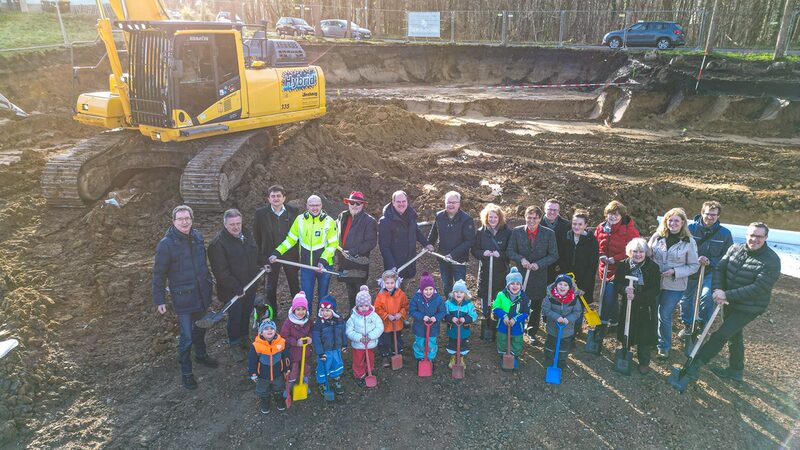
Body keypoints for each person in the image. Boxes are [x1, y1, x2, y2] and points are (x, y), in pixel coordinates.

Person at [677, 223, 781, 387]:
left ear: (766, 238)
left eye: (759, 236)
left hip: (749, 306)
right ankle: (736, 370)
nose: (754, 239)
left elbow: (759, 288)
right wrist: (718, 289)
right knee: (734, 334)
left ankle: (695, 364)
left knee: (721, 334)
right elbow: (720, 269)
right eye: (752, 235)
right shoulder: (735, 248)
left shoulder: (772, 260)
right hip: (728, 301)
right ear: (746, 235)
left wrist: (727, 294)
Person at [152, 205, 217, 390]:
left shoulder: (197, 236)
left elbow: (203, 264)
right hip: (183, 299)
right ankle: (187, 372)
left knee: (201, 328)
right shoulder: (166, 244)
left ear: (191, 219)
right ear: (173, 222)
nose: (184, 222)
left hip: (201, 293)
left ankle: (201, 355)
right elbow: (159, 273)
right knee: (186, 337)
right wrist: (159, 299)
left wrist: (209, 282)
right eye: (180, 219)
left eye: (187, 218)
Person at [208, 209, 261, 363]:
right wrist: (236, 287)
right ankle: (234, 343)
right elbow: (220, 272)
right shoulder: (217, 244)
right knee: (235, 317)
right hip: (233, 290)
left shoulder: (246, 235)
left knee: (247, 312)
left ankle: (245, 337)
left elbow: (254, 254)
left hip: (250, 285)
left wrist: (263, 262)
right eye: (232, 225)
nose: (236, 227)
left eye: (238, 223)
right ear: (225, 224)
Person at [270, 195, 338, 313]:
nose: (314, 208)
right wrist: (277, 252)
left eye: (317, 205)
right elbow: (290, 239)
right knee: (306, 297)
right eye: (311, 205)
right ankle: (307, 323)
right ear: (307, 206)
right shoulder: (300, 220)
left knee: (323, 297)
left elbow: (333, 245)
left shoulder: (329, 222)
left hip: (324, 266)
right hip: (306, 266)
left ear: (321, 205)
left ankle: (321, 322)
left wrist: (323, 261)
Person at [648, 208, 700, 359]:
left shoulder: (689, 242)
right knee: (652, 311)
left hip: (675, 285)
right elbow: (648, 255)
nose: (673, 223)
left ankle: (663, 346)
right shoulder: (658, 237)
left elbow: (694, 266)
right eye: (670, 220)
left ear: (683, 223)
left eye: (676, 220)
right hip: (654, 282)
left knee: (664, 314)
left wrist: (675, 271)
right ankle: (651, 339)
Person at [679, 201, 733, 339]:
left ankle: (701, 324)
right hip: (690, 269)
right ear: (702, 213)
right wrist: (693, 258)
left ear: (718, 215)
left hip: (711, 271)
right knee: (685, 298)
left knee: (707, 296)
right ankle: (688, 324)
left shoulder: (725, 234)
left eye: (714, 215)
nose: (710, 217)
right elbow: (680, 248)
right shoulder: (689, 229)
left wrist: (711, 261)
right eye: (708, 214)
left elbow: (728, 255)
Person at [506, 205, 559, 340]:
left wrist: (539, 264)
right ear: (525, 217)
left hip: (538, 275)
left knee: (536, 305)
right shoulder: (517, 232)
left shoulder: (548, 233)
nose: (532, 221)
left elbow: (554, 255)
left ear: (540, 218)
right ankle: (517, 326)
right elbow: (510, 251)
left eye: (535, 218)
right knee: (518, 302)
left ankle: (532, 331)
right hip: (520, 275)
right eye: (529, 217)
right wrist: (521, 259)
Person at [614, 238, 661, 374]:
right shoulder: (623, 265)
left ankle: (644, 360)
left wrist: (637, 297)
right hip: (627, 304)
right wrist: (624, 290)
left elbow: (655, 290)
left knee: (644, 335)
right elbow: (617, 283)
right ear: (630, 252)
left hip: (645, 306)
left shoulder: (653, 267)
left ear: (646, 253)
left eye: (641, 252)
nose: (638, 254)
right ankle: (625, 351)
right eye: (635, 251)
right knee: (626, 328)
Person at [253, 184, 300, 318]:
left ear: (284, 198)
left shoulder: (294, 212)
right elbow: (256, 237)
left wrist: (298, 256)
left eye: (278, 196)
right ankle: (272, 313)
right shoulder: (260, 214)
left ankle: (298, 312)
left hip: (289, 255)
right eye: (273, 196)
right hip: (270, 256)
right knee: (271, 287)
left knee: (294, 284)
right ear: (268, 199)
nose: (276, 199)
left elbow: (297, 236)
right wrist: (261, 258)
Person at [594, 200, 640, 327]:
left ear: (622, 216)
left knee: (608, 294)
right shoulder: (601, 228)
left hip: (621, 269)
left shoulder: (630, 230)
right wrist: (601, 254)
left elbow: (634, 250)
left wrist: (616, 258)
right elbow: (596, 244)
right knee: (610, 295)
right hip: (604, 267)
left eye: (616, 214)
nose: (613, 217)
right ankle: (614, 322)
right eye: (610, 214)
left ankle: (602, 323)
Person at [471, 203, 511, 341]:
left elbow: (510, 251)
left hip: (500, 272)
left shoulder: (506, 232)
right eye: (490, 217)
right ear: (486, 218)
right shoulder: (481, 232)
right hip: (486, 270)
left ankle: (498, 322)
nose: (492, 220)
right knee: (485, 296)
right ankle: (486, 318)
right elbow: (474, 251)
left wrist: (501, 254)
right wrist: (483, 253)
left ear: (500, 218)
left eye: (495, 217)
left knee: (499, 297)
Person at [378, 190, 433, 291]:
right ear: (393, 202)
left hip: (409, 259)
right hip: (395, 262)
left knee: (405, 284)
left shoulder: (411, 216)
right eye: (398, 202)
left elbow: (416, 232)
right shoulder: (385, 221)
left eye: (404, 201)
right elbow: (384, 246)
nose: (401, 204)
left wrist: (426, 244)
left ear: (407, 202)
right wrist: (392, 266)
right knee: (392, 290)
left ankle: (403, 297)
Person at [557, 209, 599, 336]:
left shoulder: (591, 241)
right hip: (568, 278)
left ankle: (576, 330)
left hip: (583, 279)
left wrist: (583, 287)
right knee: (566, 304)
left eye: (580, 224)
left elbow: (592, 266)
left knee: (578, 307)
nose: (577, 226)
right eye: (574, 223)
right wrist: (567, 277)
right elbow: (561, 258)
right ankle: (565, 330)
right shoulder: (566, 237)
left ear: (586, 225)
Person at [427, 191, 476, 297]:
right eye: (448, 202)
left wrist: (453, 254)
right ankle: (449, 306)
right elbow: (434, 233)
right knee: (446, 284)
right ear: (445, 203)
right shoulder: (439, 216)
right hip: (443, 257)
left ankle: (461, 308)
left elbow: (469, 241)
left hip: (458, 260)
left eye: (454, 202)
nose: (451, 205)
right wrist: (429, 244)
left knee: (460, 286)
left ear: (459, 204)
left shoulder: (466, 220)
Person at [337, 191, 378, 311]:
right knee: (349, 290)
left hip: (359, 262)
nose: (354, 205)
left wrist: (353, 251)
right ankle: (352, 315)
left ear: (363, 205)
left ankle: (362, 317)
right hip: (344, 261)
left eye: (358, 203)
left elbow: (371, 242)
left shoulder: (369, 221)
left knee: (360, 293)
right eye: (352, 202)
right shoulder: (342, 216)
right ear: (348, 203)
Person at [248, 319, 290, 414]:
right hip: (262, 375)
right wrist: (253, 373)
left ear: (275, 330)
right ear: (261, 332)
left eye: (272, 328)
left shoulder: (281, 342)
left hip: (278, 373)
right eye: (266, 329)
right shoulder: (256, 346)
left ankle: (279, 400)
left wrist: (287, 369)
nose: (269, 330)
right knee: (263, 390)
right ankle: (265, 402)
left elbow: (286, 357)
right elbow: (252, 361)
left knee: (278, 388)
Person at [345, 286, 384, 387]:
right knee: (358, 361)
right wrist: (359, 338)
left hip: (370, 344)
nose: (364, 308)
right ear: (357, 306)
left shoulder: (374, 316)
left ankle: (369, 371)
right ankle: (359, 375)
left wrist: (371, 336)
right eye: (361, 306)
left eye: (366, 305)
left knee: (370, 359)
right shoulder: (353, 318)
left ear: (369, 305)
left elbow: (380, 327)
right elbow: (349, 331)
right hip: (358, 345)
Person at [542, 274, 582, 370]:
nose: (562, 287)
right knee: (550, 345)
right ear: (556, 285)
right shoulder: (550, 297)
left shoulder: (574, 299)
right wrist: (557, 317)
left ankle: (561, 362)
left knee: (563, 348)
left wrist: (568, 319)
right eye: (560, 284)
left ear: (569, 287)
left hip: (567, 330)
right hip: (552, 328)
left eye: (565, 285)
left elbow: (577, 312)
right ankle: (549, 359)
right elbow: (545, 310)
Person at [493, 267, 530, 370]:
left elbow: (526, 312)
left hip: (517, 325)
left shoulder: (524, 297)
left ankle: (513, 355)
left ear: (521, 285)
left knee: (516, 340)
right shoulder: (501, 295)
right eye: (512, 283)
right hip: (503, 323)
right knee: (502, 338)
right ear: (508, 284)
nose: (515, 286)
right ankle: (503, 355)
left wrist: (515, 319)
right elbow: (496, 307)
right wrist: (504, 316)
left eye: (518, 284)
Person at [409, 272, 447, 368]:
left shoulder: (438, 299)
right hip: (420, 327)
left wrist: (436, 318)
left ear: (434, 289)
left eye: (431, 289)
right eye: (426, 289)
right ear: (422, 289)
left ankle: (430, 358)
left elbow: (443, 311)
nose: (428, 292)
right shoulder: (416, 298)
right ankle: (420, 358)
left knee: (431, 343)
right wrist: (422, 316)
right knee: (420, 343)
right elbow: (412, 311)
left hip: (433, 328)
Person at [311, 296, 346, 398]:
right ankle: (322, 383)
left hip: (336, 349)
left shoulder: (339, 321)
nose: (324, 313)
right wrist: (320, 353)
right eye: (322, 310)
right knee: (323, 367)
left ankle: (336, 379)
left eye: (327, 310)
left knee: (337, 363)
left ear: (333, 310)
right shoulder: (318, 324)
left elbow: (343, 333)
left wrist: (344, 344)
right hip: (325, 351)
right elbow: (317, 340)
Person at [374, 270, 409, 368]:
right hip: (386, 324)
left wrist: (400, 314)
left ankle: (396, 352)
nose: (390, 285)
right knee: (385, 340)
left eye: (392, 283)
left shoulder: (401, 294)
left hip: (397, 323)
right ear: (383, 283)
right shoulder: (380, 295)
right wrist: (386, 315)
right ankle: (385, 356)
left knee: (397, 339)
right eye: (387, 283)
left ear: (396, 282)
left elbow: (405, 306)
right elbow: (377, 308)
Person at [280, 292, 313, 392]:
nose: (301, 312)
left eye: (303, 309)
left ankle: (305, 383)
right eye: (298, 309)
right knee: (293, 370)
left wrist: (310, 337)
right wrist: (295, 342)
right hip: (293, 351)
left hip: (305, 350)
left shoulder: (308, 320)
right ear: (294, 310)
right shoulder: (289, 322)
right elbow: (283, 337)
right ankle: (289, 387)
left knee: (306, 367)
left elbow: (312, 330)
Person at [444, 280, 478, 371]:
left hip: (464, 330)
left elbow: (474, 316)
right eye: (456, 292)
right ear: (452, 293)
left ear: (465, 294)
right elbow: (444, 314)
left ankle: (461, 358)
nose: (458, 294)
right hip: (452, 330)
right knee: (452, 344)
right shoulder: (448, 303)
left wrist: (465, 319)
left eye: (461, 292)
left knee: (463, 345)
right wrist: (451, 318)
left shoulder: (469, 305)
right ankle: (453, 357)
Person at [541, 198, 571, 282]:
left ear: (559, 211)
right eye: (549, 209)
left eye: (555, 210)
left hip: (559, 265)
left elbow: (567, 246)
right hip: (541, 264)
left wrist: (561, 263)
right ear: (544, 209)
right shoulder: (538, 223)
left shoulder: (566, 225)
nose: (552, 212)